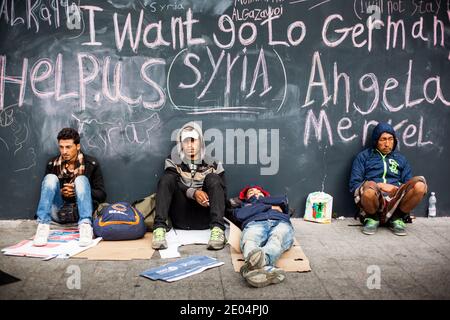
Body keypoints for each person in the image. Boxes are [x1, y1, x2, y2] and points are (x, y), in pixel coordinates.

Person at [151, 122, 227, 250]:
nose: (190, 145)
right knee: (167, 178)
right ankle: (159, 229)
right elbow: (173, 182)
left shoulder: (213, 163)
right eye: (185, 141)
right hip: (180, 216)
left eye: (193, 141)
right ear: (180, 143)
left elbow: (222, 196)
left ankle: (218, 230)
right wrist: (193, 193)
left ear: (201, 142)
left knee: (213, 178)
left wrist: (206, 196)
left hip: (205, 217)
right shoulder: (173, 160)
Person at [349, 122, 427, 236]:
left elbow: (408, 184)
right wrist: (379, 185)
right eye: (383, 139)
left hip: (396, 199)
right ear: (376, 141)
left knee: (420, 186)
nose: (387, 144)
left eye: (390, 139)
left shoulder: (400, 159)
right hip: (374, 199)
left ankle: (397, 218)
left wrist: (397, 188)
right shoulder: (363, 157)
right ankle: (372, 219)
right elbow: (354, 184)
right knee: (369, 189)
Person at [33, 128, 106, 247]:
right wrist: (61, 192)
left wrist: (77, 191)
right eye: (61, 147)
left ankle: (85, 227)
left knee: (81, 180)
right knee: (50, 178)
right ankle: (43, 227)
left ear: (77, 146)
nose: (64, 151)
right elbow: (47, 191)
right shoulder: (52, 164)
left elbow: (102, 195)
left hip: (80, 211)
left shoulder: (91, 164)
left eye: (68, 147)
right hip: (58, 212)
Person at [232, 185, 294, 288]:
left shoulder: (278, 200)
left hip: (279, 222)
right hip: (255, 223)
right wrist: (269, 206)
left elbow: (283, 200)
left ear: (265, 195)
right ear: (246, 198)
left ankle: (253, 266)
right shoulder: (244, 205)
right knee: (250, 240)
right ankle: (267, 268)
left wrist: (259, 201)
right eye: (251, 192)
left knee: (277, 238)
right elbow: (241, 215)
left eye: (258, 192)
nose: (255, 193)